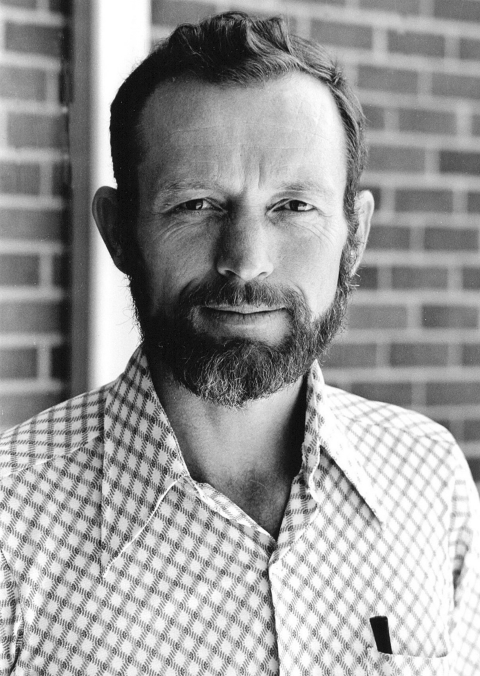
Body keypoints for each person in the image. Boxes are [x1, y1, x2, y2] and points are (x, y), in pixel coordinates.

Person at [0, 11, 479, 675]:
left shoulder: (428, 478)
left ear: (356, 236)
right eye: (196, 205)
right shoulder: (10, 517)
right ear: (118, 231)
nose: (247, 261)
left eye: (293, 207)